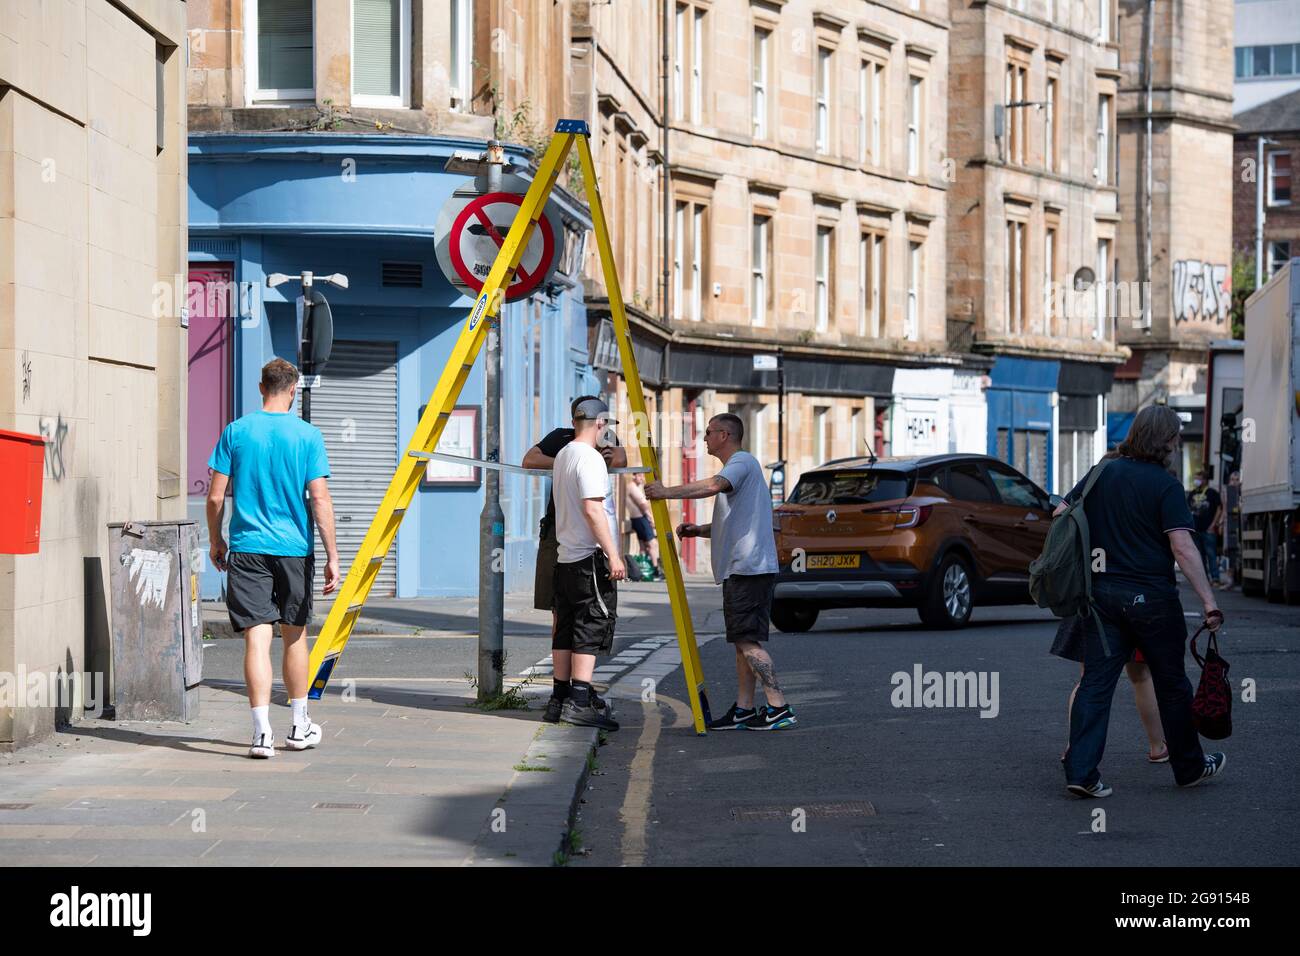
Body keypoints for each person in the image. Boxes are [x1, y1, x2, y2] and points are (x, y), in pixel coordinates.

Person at [1060, 405, 1226, 797]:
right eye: (1174, 438)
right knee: (1171, 684)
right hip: (1151, 598)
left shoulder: (1101, 473)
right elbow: (1182, 546)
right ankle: (1188, 768)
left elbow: (1061, 511)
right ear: (1167, 441)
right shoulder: (1165, 485)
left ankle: (1081, 773)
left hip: (1100, 596)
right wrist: (1208, 600)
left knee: (1095, 684)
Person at [206, 358, 341, 759]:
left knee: (256, 638)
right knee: (294, 636)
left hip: (247, 548)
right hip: (293, 550)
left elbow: (215, 497)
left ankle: (261, 733)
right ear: (293, 391)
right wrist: (333, 556)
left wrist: (217, 541)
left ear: (261, 387)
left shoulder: (236, 432)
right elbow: (319, 498)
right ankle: (299, 726)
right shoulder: (307, 435)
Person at [646, 413, 795, 731]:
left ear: (725, 435)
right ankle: (744, 709)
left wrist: (665, 492)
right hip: (742, 570)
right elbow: (736, 523)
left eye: (709, 432)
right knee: (742, 641)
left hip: (748, 570)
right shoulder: (741, 469)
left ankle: (779, 706)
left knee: (748, 642)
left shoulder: (740, 464)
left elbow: (714, 486)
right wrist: (699, 529)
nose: (704, 438)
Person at [523, 397, 626, 724]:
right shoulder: (590, 459)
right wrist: (613, 554)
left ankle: (560, 696)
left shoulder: (564, 455)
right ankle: (580, 701)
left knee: (565, 626)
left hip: (566, 555)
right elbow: (594, 510)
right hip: (587, 556)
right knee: (590, 622)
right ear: (600, 424)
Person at [1187, 467, 1222, 587]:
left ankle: (1215, 578)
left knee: (1211, 554)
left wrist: (1213, 524)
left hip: (1208, 529)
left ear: (1205, 480)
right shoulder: (1192, 493)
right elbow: (1188, 509)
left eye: (1199, 479)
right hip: (1195, 529)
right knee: (1199, 556)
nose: (1196, 481)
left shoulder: (1212, 493)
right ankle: (1203, 579)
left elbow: (1219, 508)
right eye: (1195, 479)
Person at [626, 473, 662, 578]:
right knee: (653, 544)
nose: (642, 478)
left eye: (643, 476)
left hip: (637, 518)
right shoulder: (632, 487)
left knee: (642, 545)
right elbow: (642, 504)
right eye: (640, 476)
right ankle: (655, 570)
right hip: (641, 518)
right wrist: (650, 517)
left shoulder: (633, 487)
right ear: (633, 476)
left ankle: (644, 569)